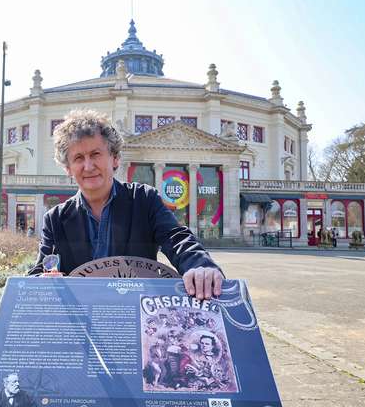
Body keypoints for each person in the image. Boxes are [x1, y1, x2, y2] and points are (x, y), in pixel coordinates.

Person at [28, 109, 223, 300]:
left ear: (115, 158)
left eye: (95, 154)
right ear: (68, 168)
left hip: (135, 316)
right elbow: (41, 269)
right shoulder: (55, 219)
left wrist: (199, 265)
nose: (88, 166)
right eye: (78, 158)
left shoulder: (144, 199)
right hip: (83, 321)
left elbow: (176, 238)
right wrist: (42, 281)